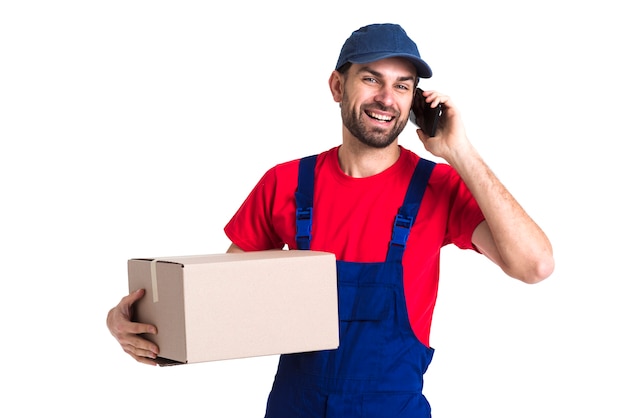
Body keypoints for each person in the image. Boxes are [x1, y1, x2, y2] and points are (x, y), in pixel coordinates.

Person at [107, 23, 554, 417]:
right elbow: (218, 308)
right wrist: (128, 324)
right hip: (293, 409)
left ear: (415, 100)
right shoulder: (285, 184)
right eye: (371, 79)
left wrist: (460, 152)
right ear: (338, 86)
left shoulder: (439, 187)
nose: (386, 97)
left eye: (403, 86)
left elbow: (535, 265)